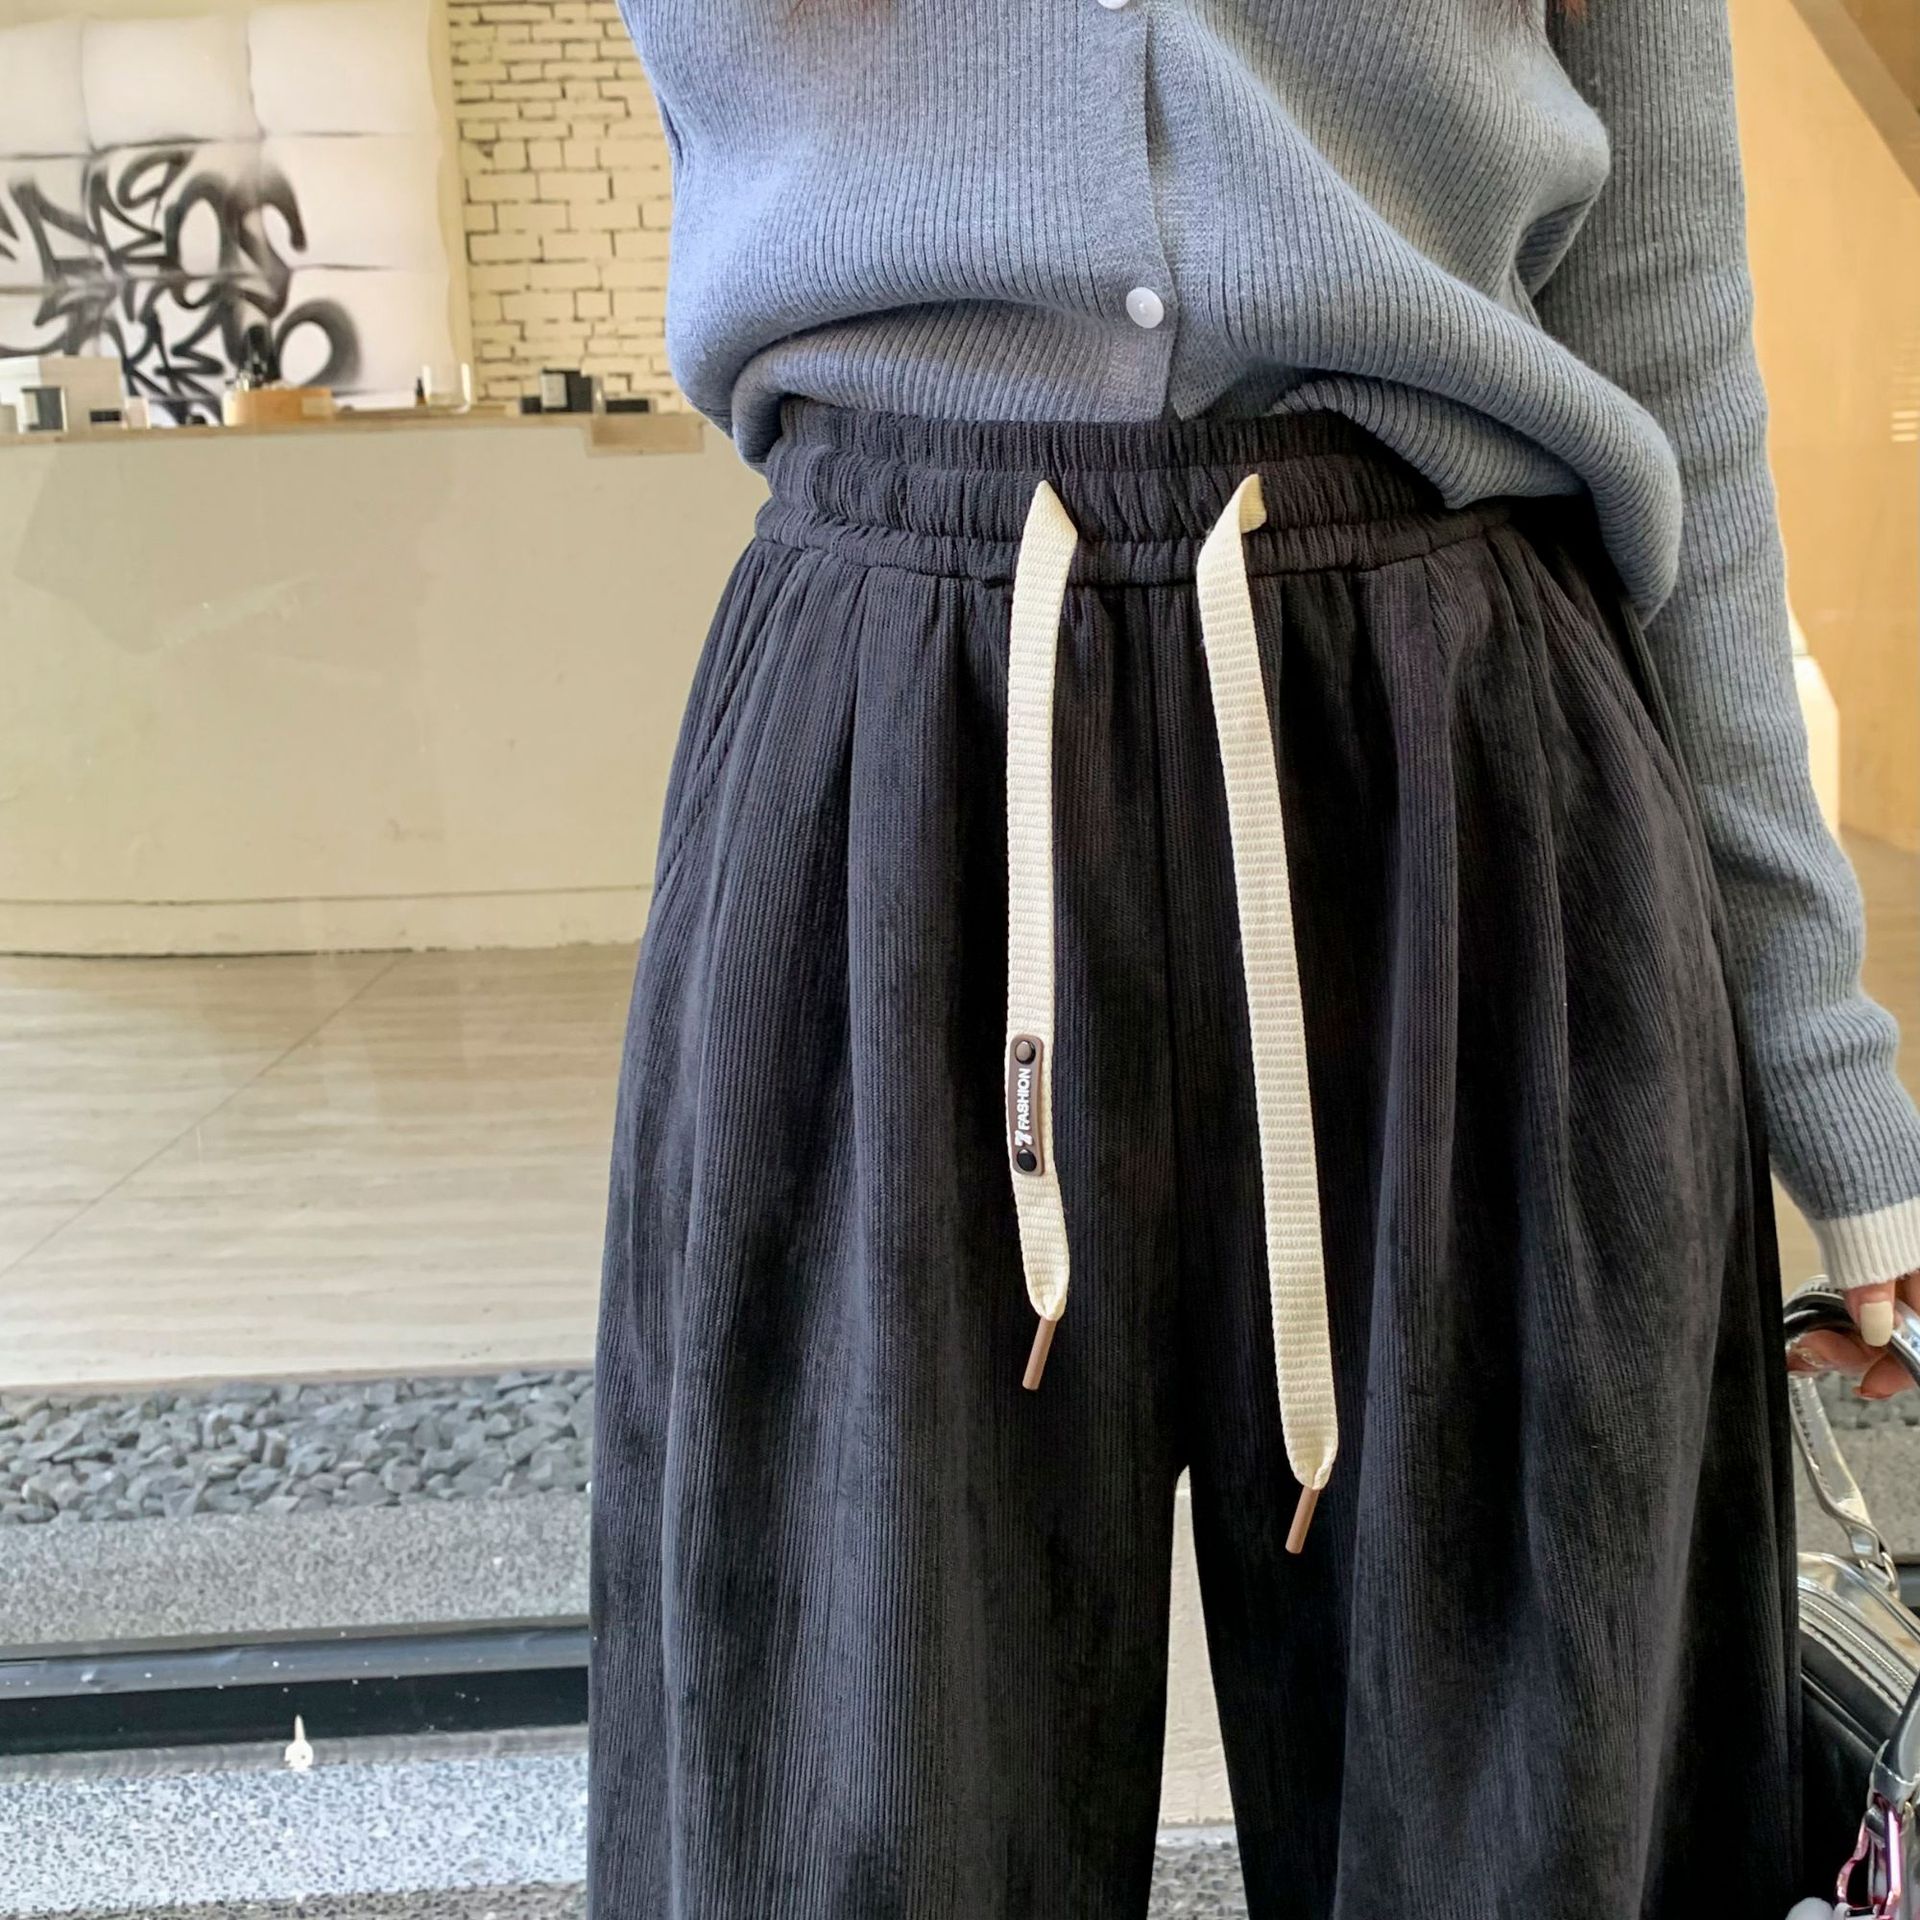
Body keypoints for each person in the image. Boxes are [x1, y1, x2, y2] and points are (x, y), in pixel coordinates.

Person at [588, 1, 1920, 1913]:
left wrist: (1823, 1063)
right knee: (846, 1804)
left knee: (1524, 1838)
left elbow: (1665, 326)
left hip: (1461, 771)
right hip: (898, 754)